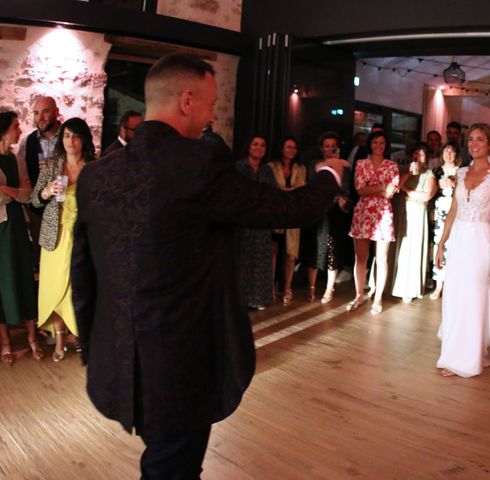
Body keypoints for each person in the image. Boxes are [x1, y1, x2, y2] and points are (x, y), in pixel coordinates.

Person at [70, 53, 346, 478]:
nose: (212, 113)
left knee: (168, 458)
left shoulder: (97, 175)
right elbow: (288, 207)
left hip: (120, 356)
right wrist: (328, 174)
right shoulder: (200, 165)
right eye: (210, 102)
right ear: (186, 100)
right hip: (181, 359)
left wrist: (94, 346)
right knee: (172, 466)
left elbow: (84, 272)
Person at [435, 123, 490, 378]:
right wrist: (441, 243)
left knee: (474, 298)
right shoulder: (462, 172)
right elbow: (454, 210)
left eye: (480, 139)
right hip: (458, 240)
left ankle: (467, 359)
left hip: (480, 242)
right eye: (471, 140)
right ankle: (454, 351)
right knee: (455, 297)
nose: (474, 144)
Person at [31, 117, 95, 362]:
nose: (71, 141)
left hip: (83, 236)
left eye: (76, 136)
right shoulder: (52, 166)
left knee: (78, 288)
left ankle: (80, 335)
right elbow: (35, 200)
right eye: (67, 135)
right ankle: (59, 339)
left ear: (84, 139)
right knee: (54, 288)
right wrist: (47, 192)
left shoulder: (94, 166)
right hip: (54, 236)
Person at [0, 111, 42, 365]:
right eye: (16, 126)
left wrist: (8, 190)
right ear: (4, 130)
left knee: (25, 277)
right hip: (1, 227)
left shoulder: (17, 160)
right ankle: (6, 342)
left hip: (17, 226)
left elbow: (28, 194)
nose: (20, 129)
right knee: (1, 282)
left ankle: (32, 338)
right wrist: (15, 193)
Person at [348, 131, 399, 315]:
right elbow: (360, 190)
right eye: (375, 142)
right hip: (363, 213)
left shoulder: (392, 165)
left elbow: (391, 193)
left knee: (382, 258)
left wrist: (376, 189)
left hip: (383, 213)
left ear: (386, 145)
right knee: (361, 258)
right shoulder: (361, 163)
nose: (378, 145)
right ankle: (359, 295)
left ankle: (378, 298)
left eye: (382, 142)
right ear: (370, 144)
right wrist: (383, 187)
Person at [302, 132, 353, 304]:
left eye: (333, 145)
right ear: (321, 148)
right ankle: (311, 287)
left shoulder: (344, 165)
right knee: (314, 248)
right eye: (327, 145)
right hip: (317, 210)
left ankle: (329, 289)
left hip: (335, 211)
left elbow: (344, 188)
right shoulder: (314, 164)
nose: (330, 148)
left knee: (333, 250)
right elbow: (312, 184)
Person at [17, 95, 62, 269]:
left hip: (64, 210)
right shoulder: (27, 142)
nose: (40, 117)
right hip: (38, 212)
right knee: (40, 259)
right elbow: (22, 176)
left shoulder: (69, 136)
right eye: (36, 113)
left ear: (57, 112)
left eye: (45, 111)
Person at [236, 135, 277, 310]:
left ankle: (258, 298)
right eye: (255, 144)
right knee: (243, 259)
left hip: (261, 221)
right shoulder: (238, 167)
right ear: (248, 147)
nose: (259, 148)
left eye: (263, 145)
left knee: (261, 260)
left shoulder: (267, 170)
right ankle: (241, 299)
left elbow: (272, 192)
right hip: (243, 220)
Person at [391, 143, 436, 302]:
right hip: (402, 212)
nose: (418, 158)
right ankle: (395, 285)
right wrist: (409, 173)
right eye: (415, 154)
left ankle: (410, 289)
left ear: (427, 158)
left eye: (421, 155)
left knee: (413, 249)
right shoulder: (405, 172)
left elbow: (426, 196)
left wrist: (409, 192)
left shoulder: (429, 174)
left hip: (417, 213)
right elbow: (397, 187)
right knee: (400, 249)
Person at [268, 137, 306, 305]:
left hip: (292, 215)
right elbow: (273, 189)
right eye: (288, 147)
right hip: (275, 214)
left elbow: (302, 189)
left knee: (291, 254)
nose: (292, 150)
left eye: (295, 147)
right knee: (273, 252)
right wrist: (288, 191)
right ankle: (270, 287)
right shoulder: (271, 167)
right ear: (281, 149)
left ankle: (288, 287)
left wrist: (285, 191)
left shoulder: (300, 168)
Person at [430, 141, 462, 299]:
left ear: (456, 154)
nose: (448, 154)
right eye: (446, 151)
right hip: (440, 210)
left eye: (452, 151)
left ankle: (453, 284)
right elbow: (431, 191)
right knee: (439, 245)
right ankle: (438, 285)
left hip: (457, 211)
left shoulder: (462, 172)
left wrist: (454, 183)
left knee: (455, 245)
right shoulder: (436, 170)